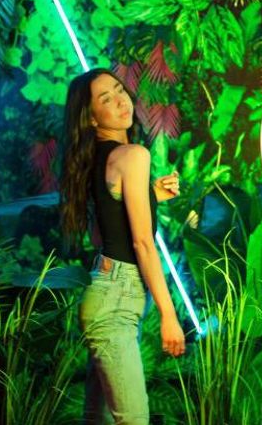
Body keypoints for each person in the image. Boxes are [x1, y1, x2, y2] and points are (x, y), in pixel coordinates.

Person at [60, 68, 187, 424]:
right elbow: (142, 243)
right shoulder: (133, 156)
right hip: (115, 301)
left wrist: (151, 196)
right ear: (90, 117)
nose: (120, 101)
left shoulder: (92, 160)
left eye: (119, 90)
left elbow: (105, 233)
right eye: (106, 99)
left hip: (102, 292)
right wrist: (168, 314)